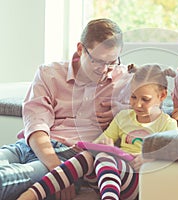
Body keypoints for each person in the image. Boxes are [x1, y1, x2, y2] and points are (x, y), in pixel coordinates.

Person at [0, 18, 131, 200]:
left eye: (112, 62)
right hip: (28, 147)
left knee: (4, 180)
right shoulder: (49, 74)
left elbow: (154, 106)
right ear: (80, 49)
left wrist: (121, 112)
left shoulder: (124, 82)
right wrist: (58, 174)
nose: (104, 70)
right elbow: (36, 126)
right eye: (98, 61)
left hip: (70, 157)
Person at [18, 64, 178, 200]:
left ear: (162, 95)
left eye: (145, 99)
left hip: (139, 180)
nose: (137, 104)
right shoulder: (123, 117)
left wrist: (150, 156)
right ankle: (31, 195)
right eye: (133, 97)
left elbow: (174, 152)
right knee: (91, 155)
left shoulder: (167, 124)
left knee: (103, 157)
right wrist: (104, 144)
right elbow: (98, 143)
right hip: (110, 175)